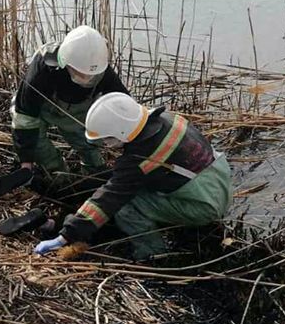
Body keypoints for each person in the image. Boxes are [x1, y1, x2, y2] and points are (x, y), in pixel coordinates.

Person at [33, 93, 232, 260]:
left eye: (108, 139)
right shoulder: (167, 119)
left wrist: (66, 236)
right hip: (219, 178)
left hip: (204, 204)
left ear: (121, 132)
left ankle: (152, 254)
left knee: (126, 207)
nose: (107, 144)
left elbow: (110, 198)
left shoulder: (138, 159)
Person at [10, 26, 128, 181]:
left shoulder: (102, 69)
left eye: (92, 76)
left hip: (77, 114)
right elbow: (25, 117)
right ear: (64, 62)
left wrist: (125, 138)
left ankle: (93, 176)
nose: (87, 80)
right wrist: (26, 161)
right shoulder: (42, 69)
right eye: (80, 74)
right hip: (43, 109)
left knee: (89, 147)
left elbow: (125, 105)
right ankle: (58, 175)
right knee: (38, 145)